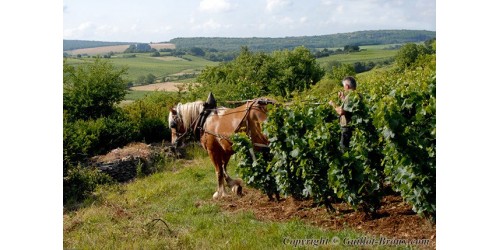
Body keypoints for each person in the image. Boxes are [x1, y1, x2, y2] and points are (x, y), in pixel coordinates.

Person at [329, 76, 359, 151]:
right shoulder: (357, 95)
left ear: (347, 86)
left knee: (344, 148)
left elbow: (341, 112)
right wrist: (343, 98)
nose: (343, 88)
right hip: (354, 125)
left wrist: (333, 104)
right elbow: (348, 108)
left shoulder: (349, 97)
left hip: (347, 127)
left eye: (343, 86)